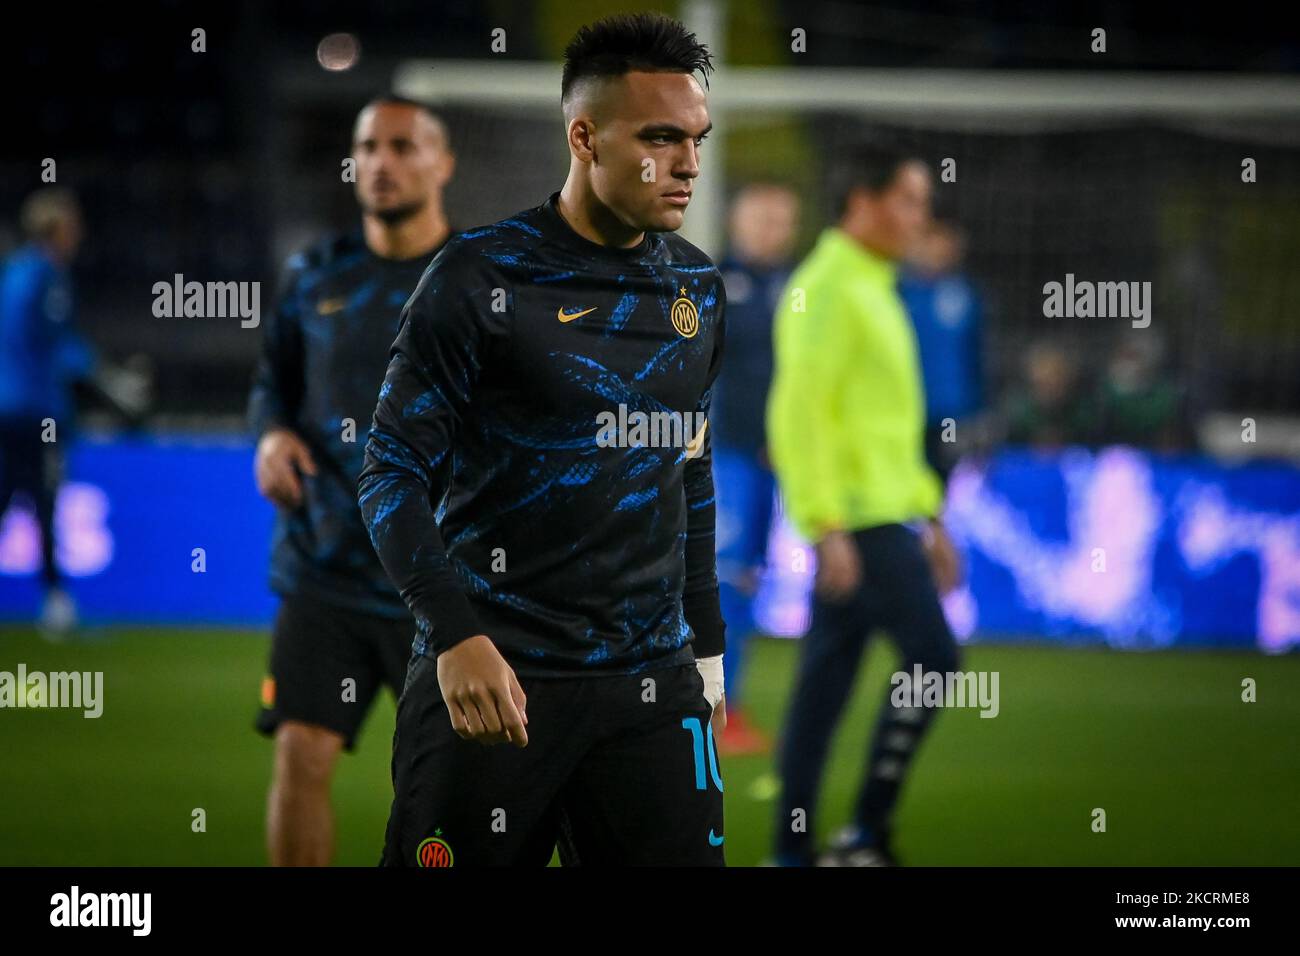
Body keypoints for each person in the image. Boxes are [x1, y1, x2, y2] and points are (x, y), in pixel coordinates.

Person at [359, 12, 727, 866]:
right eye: (661, 138)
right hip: (498, 684)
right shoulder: (481, 276)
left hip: (651, 690)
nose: (689, 165)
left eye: (697, 140)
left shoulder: (700, 290)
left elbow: (691, 473)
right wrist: (454, 635)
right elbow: (389, 469)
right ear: (585, 137)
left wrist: (706, 657)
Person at [248, 95, 455, 866]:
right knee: (301, 755)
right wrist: (270, 435)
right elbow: (273, 385)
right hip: (324, 567)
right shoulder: (315, 274)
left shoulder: (476, 279)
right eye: (368, 146)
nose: (381, 163)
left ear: (442, 163)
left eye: (403, 146)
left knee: (452, 790)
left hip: (440, 582)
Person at [767, 147, 963, 866]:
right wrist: (824, 525)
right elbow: (800, 412)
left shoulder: (875, 285)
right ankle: (866, 833)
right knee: (935, 658)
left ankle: (793, 850)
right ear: (862, 200)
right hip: (860, 523)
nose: (922, 218)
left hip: (884, 515)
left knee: (823, 688)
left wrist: (933, 516)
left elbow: (885, 425)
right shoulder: (824, 287)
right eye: (910, 200)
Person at [711, 182, 799, 755]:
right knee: (722, 581)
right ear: (736, 223)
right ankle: (714, 708)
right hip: (727, 457)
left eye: (780, 219)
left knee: (747, 579)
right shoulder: (713, 284)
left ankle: (726, 705)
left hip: (779, 459)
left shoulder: (799, 289)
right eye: (760, 217)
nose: (771, 229)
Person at [0, 188, 95, 639]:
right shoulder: (47, 276)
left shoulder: (14, 271)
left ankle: (56, 599)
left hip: (7, 406)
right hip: (38, 410)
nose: (77, 233)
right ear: (56, 229)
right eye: (71, 225)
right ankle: (57, 603)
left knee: (10, 495)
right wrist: (103, 376)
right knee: (45, 500)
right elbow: (56, 345)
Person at [898, 218, 985, 482]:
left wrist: (979, 409)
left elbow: (977, 355)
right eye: (930, 241)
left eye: (945, 241)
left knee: (947, 483)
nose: (938, 249)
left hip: (951, 414)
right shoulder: (898, 291)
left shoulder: (965, 294)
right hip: (906, 411)